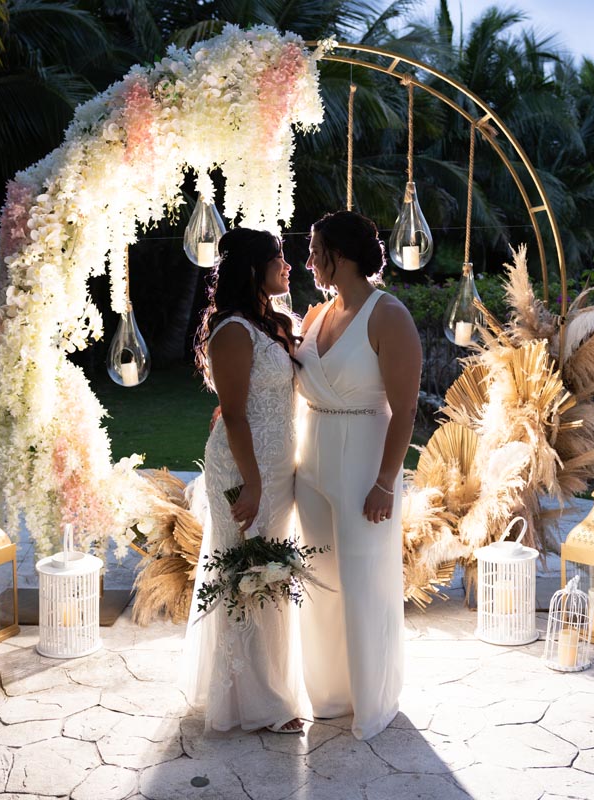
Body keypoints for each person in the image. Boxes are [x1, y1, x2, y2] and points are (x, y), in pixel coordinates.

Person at [295, 210, 422, 740]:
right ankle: (329, 694)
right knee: (319, 580)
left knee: (363, 582)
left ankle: (372, 700)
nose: (307, 261)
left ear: (338, 256)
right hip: (313, 459)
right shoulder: (316, 314)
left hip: (364, 462)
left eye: (314, 250)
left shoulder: (388, 315)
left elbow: (407, 409)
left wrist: (385, 481)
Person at [182, 227, 308, 735]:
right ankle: (257, 703)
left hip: (277, 468)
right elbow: (234, 415)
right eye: (280, 258)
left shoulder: (270, 322)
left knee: (266, 572)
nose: (289, 266)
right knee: (250, 572)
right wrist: (253, 485)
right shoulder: (233, 329)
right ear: (255, 268)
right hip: (243, 470)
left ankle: (259, 689)